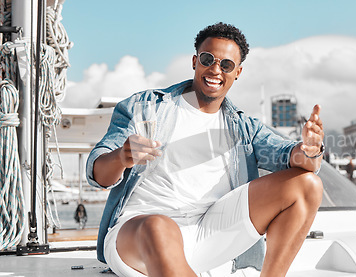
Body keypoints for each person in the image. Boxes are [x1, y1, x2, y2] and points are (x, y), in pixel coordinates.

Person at [86, 22, 324, 277]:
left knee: (307, 185)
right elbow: (98, 174)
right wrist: (122, 157)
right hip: (139, 234)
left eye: (226, 65)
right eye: (208, 59)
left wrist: (310, 149)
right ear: (194, 61)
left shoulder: (243, 128)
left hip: (210, 233)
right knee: (158, 227)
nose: (215, 70)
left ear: (238, 72)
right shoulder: (144, 107)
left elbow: (291, 158)